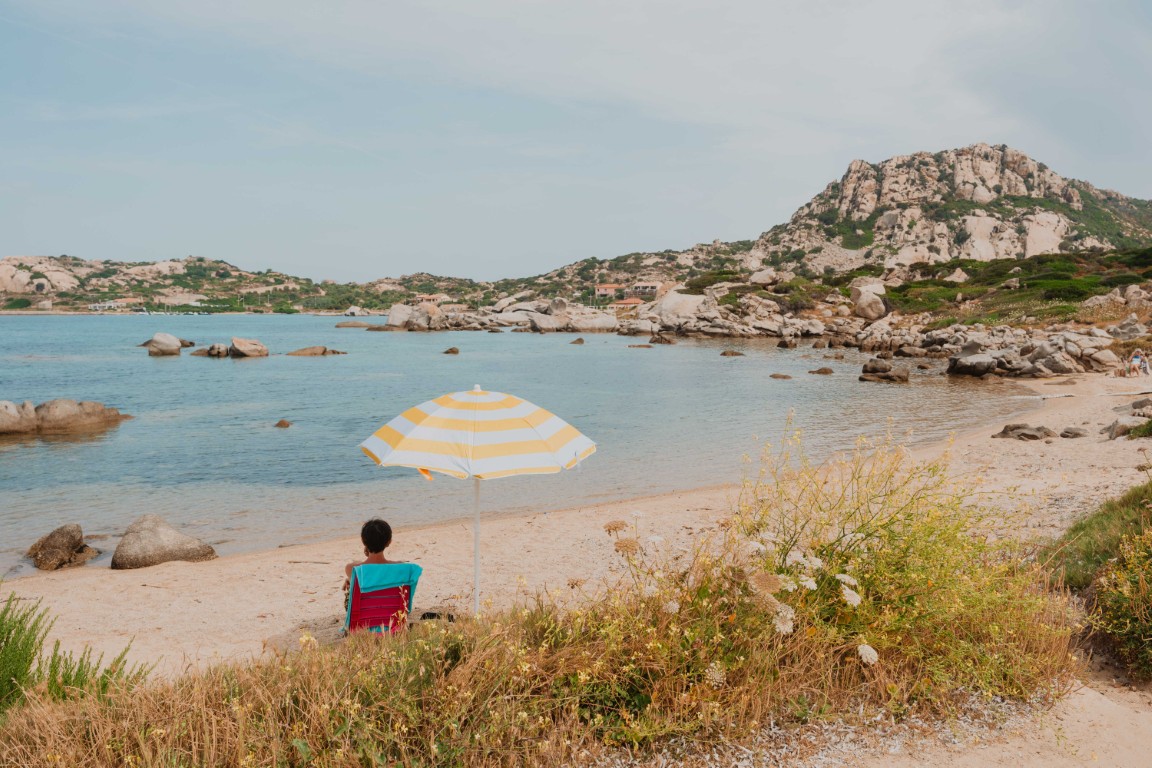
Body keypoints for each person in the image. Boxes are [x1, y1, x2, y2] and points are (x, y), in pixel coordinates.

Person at [343, 518, 401, 605]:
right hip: (391, 615)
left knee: (350, 584)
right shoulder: (401, 567)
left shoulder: (351, 568)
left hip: (364, 615)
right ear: (389, 542)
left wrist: (349, 579)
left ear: (363, 541)